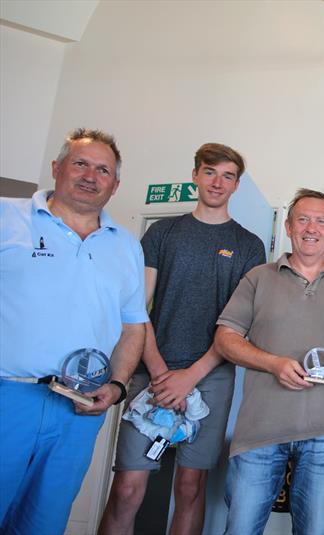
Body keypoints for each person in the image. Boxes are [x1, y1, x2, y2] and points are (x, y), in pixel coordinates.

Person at [99, 143, 266, 535]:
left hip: (212, 376)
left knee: (190, 487)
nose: (217, 182)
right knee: (127, 487)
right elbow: (137, 310)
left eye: (227, 175)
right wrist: (158, 370)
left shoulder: (249, 245)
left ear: (237, 184)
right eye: (210, 172)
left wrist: (191, 375)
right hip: (151, 373)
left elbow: (240, 324)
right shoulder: (162, 232)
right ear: (195, 175)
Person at [0, 128, 148, 534]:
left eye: (103, 170)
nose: (91, 175)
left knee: (44, 522)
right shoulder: (6, 217)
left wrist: (117, 386)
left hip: (78, 409)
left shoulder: (126, 247)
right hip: (9, 396)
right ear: (57, 167)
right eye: (81, 163)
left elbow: (134, 326)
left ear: (115, 186)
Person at [214, 188, 324, 535]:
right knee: (241, 529)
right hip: (260, 434)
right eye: (303, 219)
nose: (311, 228)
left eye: (322, 221)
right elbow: (225, 339)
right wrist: (273, 363)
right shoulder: (257, 278)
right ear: (288, 227)